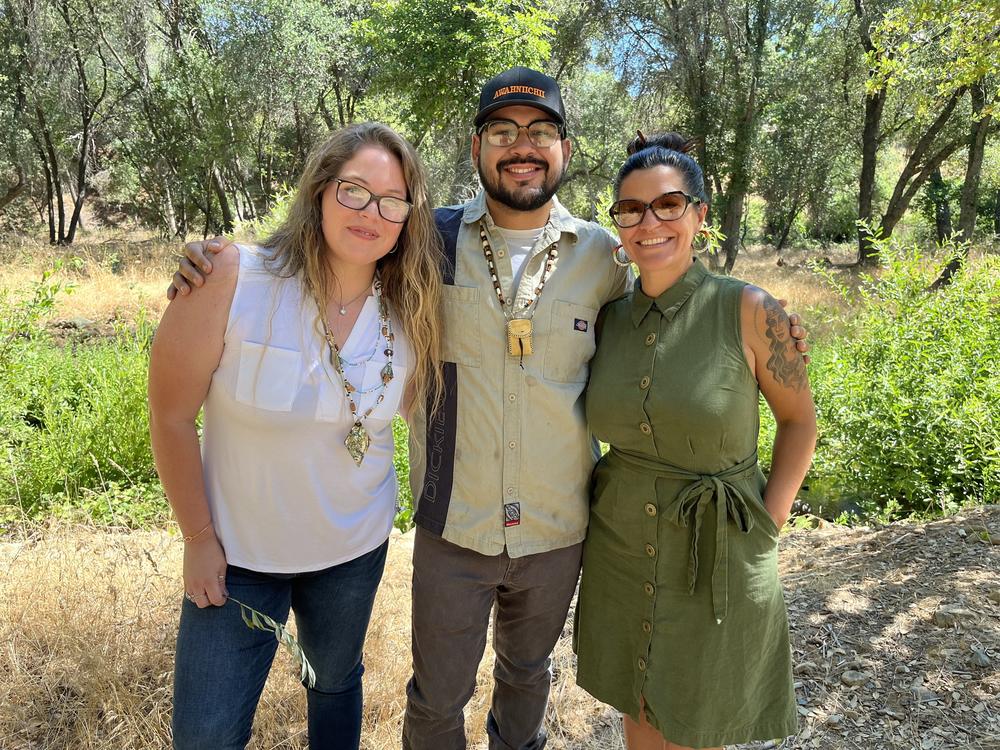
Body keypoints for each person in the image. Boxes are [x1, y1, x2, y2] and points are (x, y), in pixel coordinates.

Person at [168, 69, 810, 750]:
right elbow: (341, 236)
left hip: (559, 528)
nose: (522, 146)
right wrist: (219, 262)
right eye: (503, 131)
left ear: (566, 148)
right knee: (436, 700)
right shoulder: (425, 242)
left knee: (529, 680)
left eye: (541, 132)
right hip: (455, 525)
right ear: (476, 147)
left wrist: (765, 317)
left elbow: (674, 294)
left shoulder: (603, 255)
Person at [148, 121, 444, 750]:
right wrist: (198, 539)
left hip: (352, 550)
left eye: (393, 201)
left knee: (335, 685)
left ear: (409, 218)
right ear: (318, 191)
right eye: (354, 191)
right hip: (237, 557)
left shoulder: (412, 311)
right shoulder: (234, 278)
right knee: (206, 733)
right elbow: (171, 417)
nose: (372, 213)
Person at [573, 132, 817, 750]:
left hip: (719, 546)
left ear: (700, 215)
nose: (648, 222)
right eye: (630, 209)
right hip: (620, 546)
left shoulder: (753, 312)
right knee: (641, 705)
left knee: (701, 714)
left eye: (668, 205)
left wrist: (770, 518)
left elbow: (799, 422)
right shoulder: (608, 318)